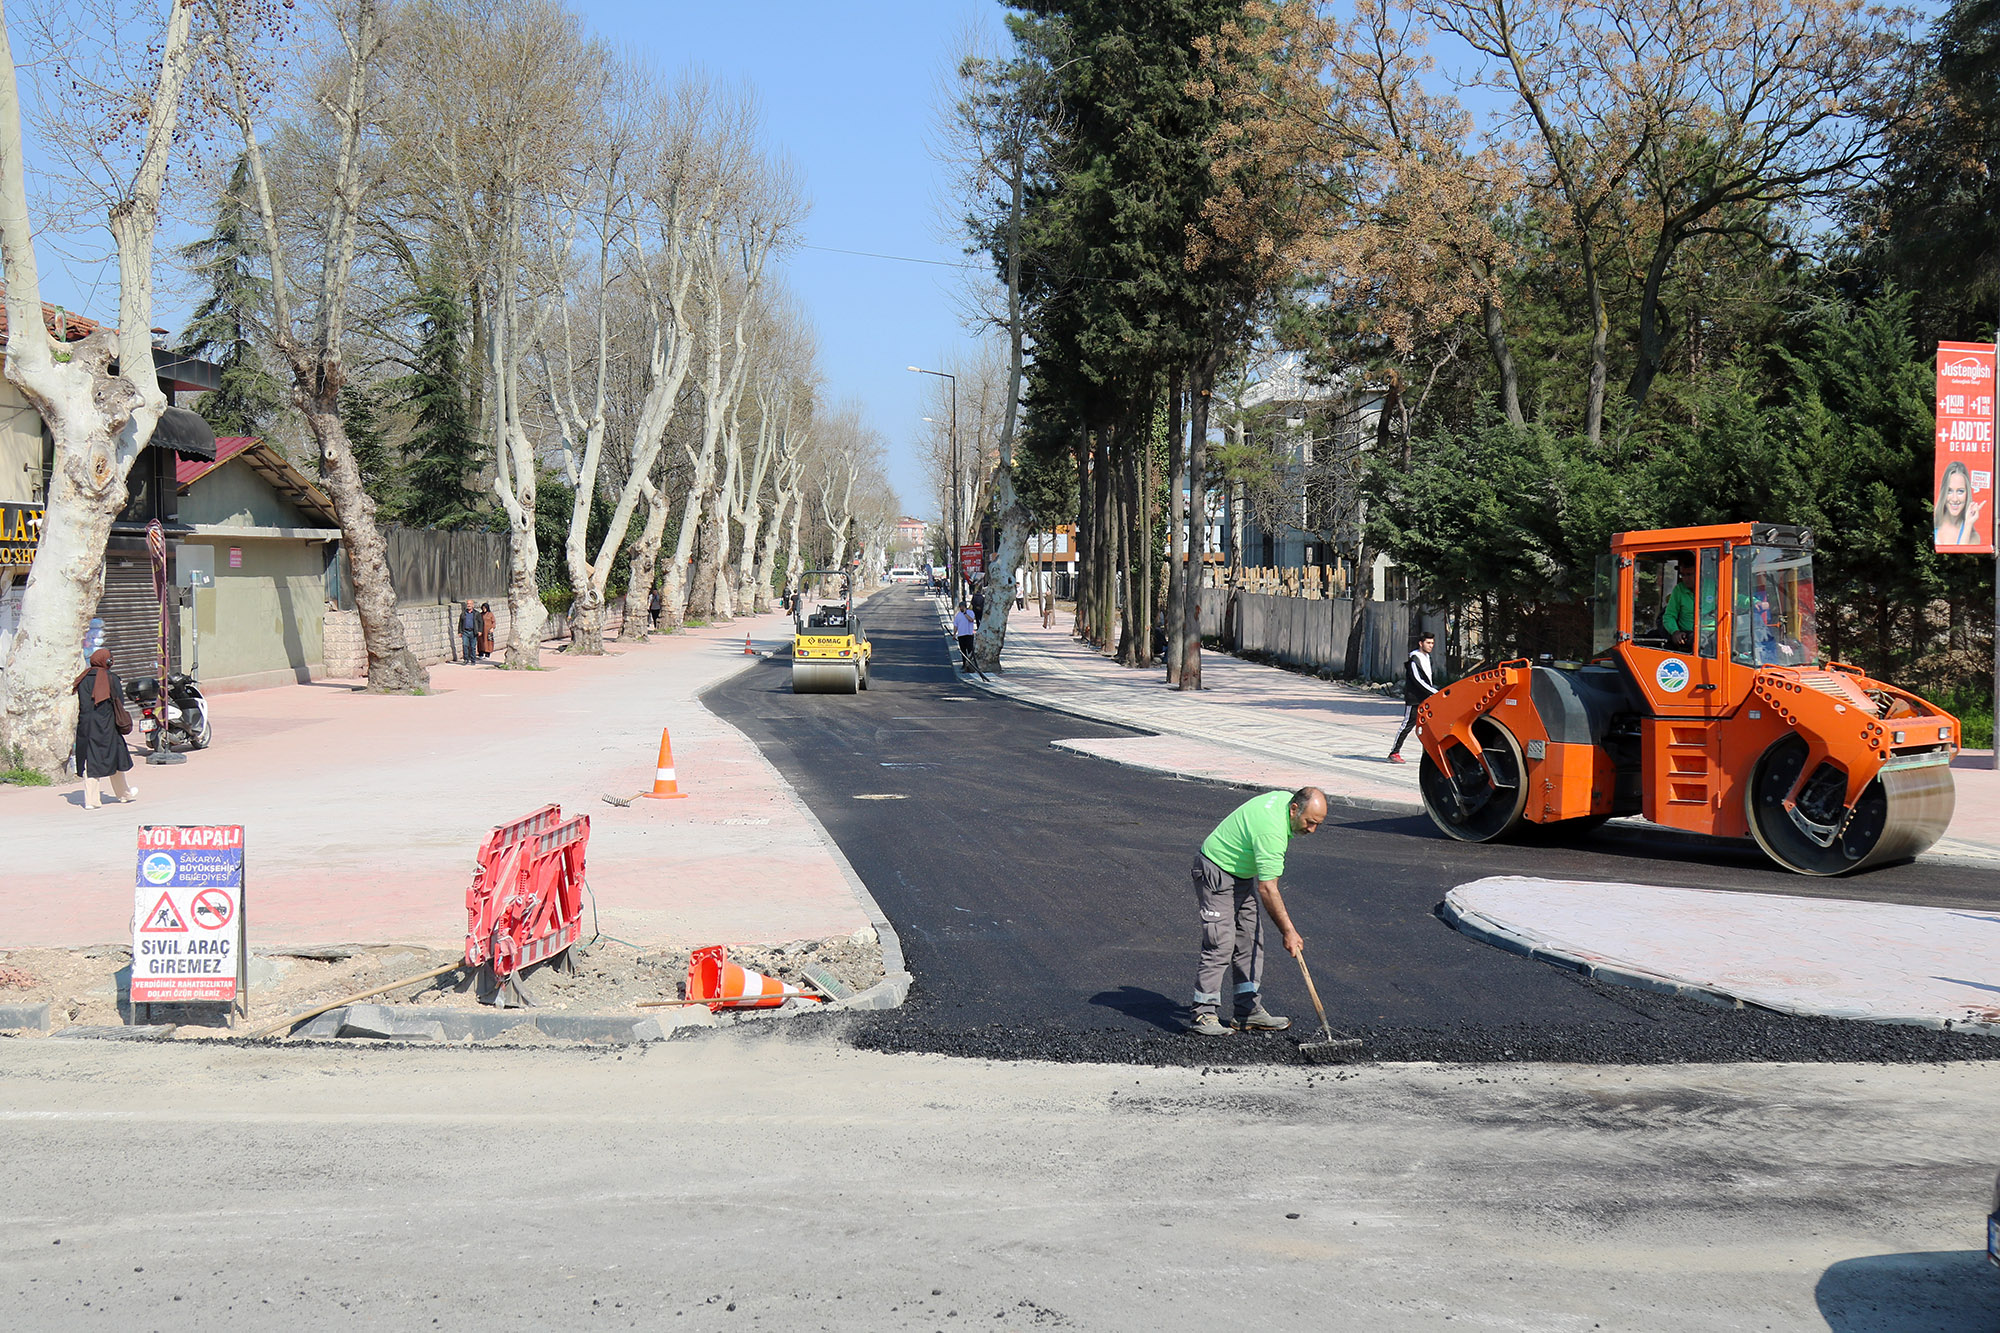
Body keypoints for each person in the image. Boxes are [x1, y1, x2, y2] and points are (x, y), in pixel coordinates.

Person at [1187, 786, 1327, 1036]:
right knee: (1221, 941)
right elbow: (1268, 889)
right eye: (1309, 822)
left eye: (1318, 824)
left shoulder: (1288, 803)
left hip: (1240, 874)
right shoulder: (1271, 831)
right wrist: (1289, 932)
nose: (1312, 829)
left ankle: (1247, 1010)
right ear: (1294, 809)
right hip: (1215, 869)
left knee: (1250, 940)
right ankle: (1203, 1013)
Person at [73, 647, 136, 810]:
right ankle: (124, 794)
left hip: (87, 726)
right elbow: (119, 702)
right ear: (107, 662)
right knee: (114, 757)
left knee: (90, 760)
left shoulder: (83, 678)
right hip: (108, 725)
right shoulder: (112, 678)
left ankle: (91, 800)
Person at [1386, 631, 1437, 764]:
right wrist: (1433, 692)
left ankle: (1432, 754)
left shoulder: (1427, 658)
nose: (1431, 645)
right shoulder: (1414, 660)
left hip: (1427, 698)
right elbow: (1418, 680)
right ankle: (1394, 752)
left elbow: (1428, 679)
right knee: (1407, 724)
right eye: (1428, 643)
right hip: (1415, 698)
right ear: (1421, 643)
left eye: (1432, 643)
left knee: (1429, 726)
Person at [1936, 460, 1984, 546]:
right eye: (1949, 491)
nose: (1954, 499)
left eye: (1960, 491)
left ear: (1967, 493)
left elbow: (1962, 556)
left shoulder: (1974, 537)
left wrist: (1968, 524)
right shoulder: (1933, 523)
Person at [954, 602, 986, 679]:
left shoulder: (970, 613)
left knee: (970, 651)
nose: (961, 608)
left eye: (962, 607)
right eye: (960, 607)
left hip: (969, 634)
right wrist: (954, 634)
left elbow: (971, 620)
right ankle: (964, 664)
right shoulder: (958, 615)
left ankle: (972, 664)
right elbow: (956, 625)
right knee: (963, 651)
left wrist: (965, 614)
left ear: (965, 607)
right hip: (961, 635)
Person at [459, 600, 480, 665]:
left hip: (473, 632)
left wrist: (480, 631)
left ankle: (473, 660)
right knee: (465, 645)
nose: (469, 605)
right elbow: (460, 623)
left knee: (473, 647)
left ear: (473, 605)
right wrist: (460, 631)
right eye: (468, 604)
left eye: (470, 604)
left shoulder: (476, 613)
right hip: (465, 631)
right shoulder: (463, 613)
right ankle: (466, 659)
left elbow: (480, 622)